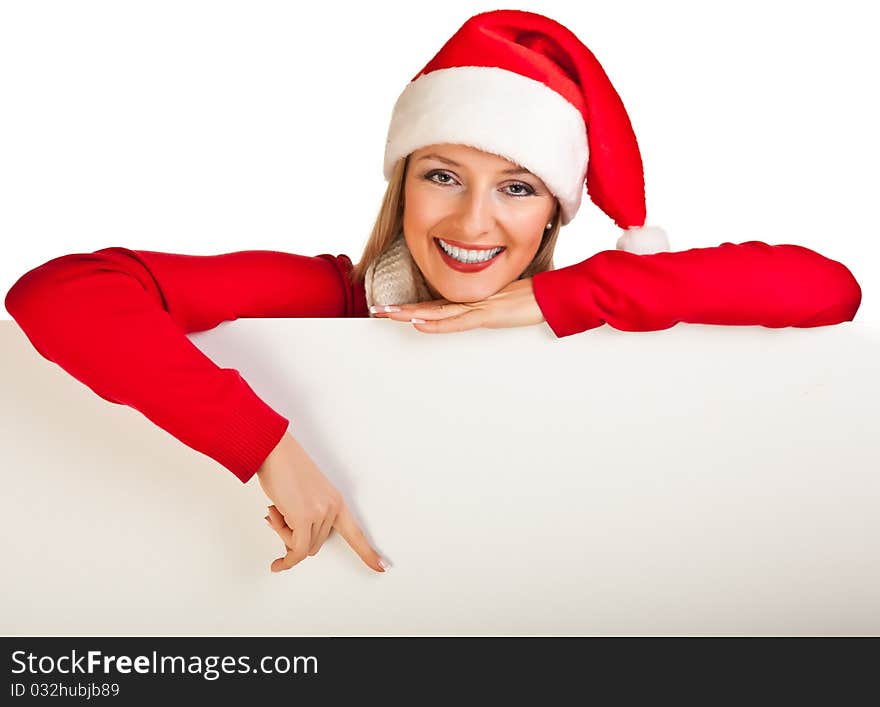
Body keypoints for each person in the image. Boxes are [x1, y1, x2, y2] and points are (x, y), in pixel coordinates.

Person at [3, 10, 862, 575]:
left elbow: (829, 287)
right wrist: (268, 446)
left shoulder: (591, 310)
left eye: (518, 187)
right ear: (402, 182)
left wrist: (556, 301)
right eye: (444, 174)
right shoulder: (329, 295)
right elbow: (61, 294)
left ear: (556, 210)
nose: (474, 222)